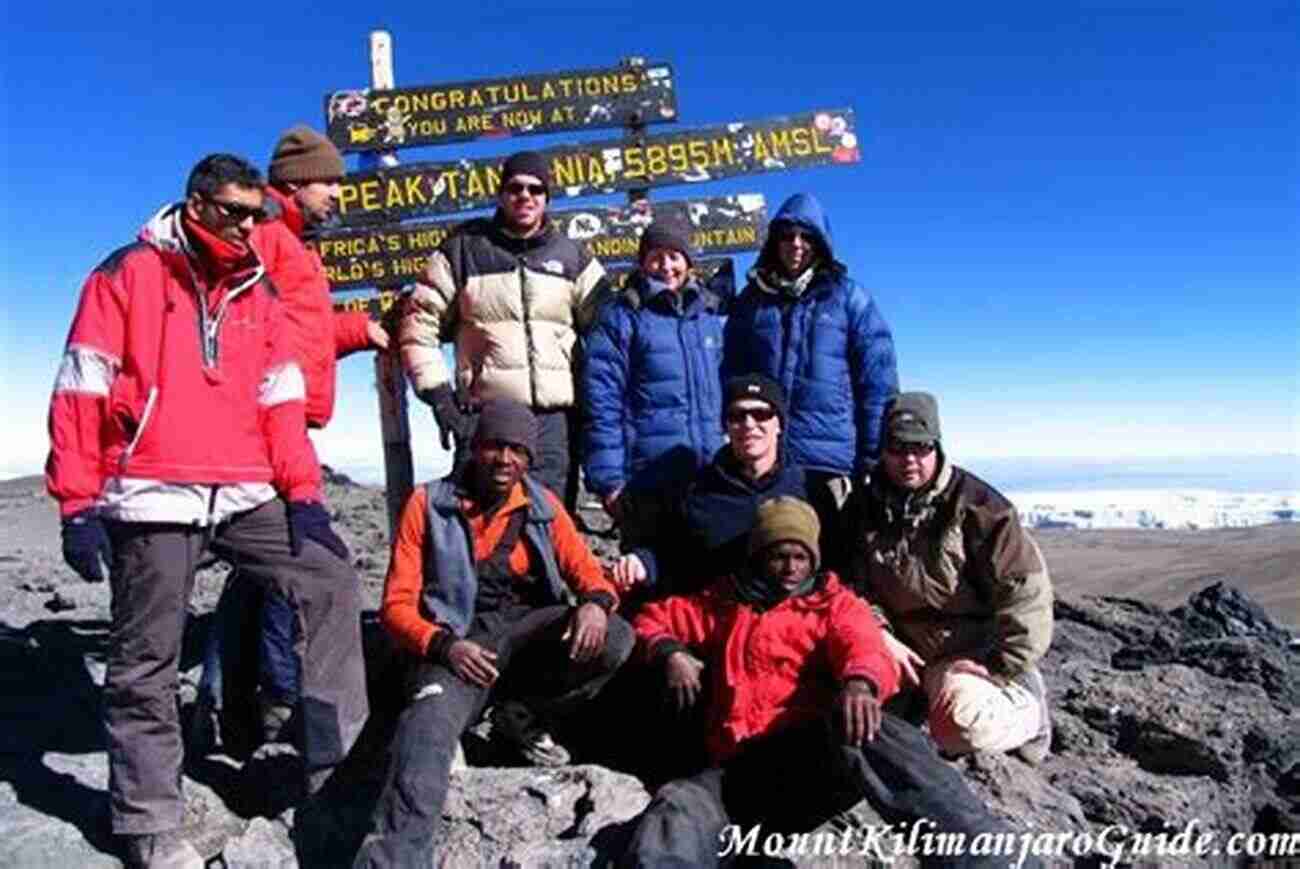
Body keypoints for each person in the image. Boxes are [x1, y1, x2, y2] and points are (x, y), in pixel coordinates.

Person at [46, 154, 369, 868]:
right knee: (145, 659)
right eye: (234, 212)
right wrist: (77, 501)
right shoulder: (128, 272)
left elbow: (281, 402)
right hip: (152, 489)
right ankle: (148, 820)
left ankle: (333, 769)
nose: (248, 226)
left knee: (330, 575)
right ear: (195, 205)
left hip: (248, 488)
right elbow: (81, 385)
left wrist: (304, 494)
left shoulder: (258, 288)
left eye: (257, 214)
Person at [622, 497, 1025, 868]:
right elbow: (650, 620)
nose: (791, 568)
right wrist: (668, 652)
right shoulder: (723, 604)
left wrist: (861, 684)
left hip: (810, 766)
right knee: (678, 803)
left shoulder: (833, 604)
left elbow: (864, 645)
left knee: (871, 726)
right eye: (779, 556)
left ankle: (986, 858)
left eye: (801, 557)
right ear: (758, 555)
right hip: (737, 775)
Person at [355, 398, 634, 867]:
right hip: (455, 646)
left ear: (529, 457)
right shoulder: (428, 505)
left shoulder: (543, 506)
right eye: (494, 446)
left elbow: (590, 574)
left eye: (518, 450)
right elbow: (396, 607)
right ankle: (394, 858)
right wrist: (444, 645)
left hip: (524, 635)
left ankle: (518, 716)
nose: (506, 460)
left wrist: (596, 604)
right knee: (426, 730)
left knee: (616, 638)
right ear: (475, 447)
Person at [196, 125, 391, 747]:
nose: (337, 193)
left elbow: (302, 333)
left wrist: (361, 328)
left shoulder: (295, 244)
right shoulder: (270, 237)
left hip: (286, 418)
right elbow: (247, 327)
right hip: (267, 425)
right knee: (295, 562)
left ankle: (230, 705)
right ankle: (270, 702)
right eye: (328, 181)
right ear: (295, 182)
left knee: (259, 571)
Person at [841, 392, 1054, 764]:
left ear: (937, 446)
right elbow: (852, 589)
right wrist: (878, 634)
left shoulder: (981, 509)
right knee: (844, 715)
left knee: (960, 727)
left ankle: (1029, 714)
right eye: (897, 447)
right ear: (883, 450)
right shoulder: (862, 508)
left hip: (965, 654)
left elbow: (1026, 595)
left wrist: (1000, 665)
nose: (909, 460)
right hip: (898, 650)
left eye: (920, 448)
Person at [400, 150, 609, 507]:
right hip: (485, 419)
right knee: (482, 531)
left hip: (553, 424)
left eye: (536, 189)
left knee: (550, 527)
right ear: (500, 194)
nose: (525, 196)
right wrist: (439, 396)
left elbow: (608, 331)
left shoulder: (574, 257)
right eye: (515, 188)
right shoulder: (463, 251)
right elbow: (418, 322)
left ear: (546, 198)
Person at [722, 191, 898, 520]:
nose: (796, 244)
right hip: (763, 464)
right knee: (771, 559)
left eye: (807, 236)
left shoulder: (848, 299)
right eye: (787, 235)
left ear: (820, 243)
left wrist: (873, 458)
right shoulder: (751, 303)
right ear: (775, 241)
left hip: (829, 465)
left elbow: (878, 385)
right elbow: (729, 375)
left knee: (830, 561)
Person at [609, 373, 813, 601]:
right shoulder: (698, 491)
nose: (749, 424)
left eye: (761, 414)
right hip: (717, 618)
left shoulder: (807, 488)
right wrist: (641, 562)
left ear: (779, 424)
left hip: (792, 619)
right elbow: (668, 552)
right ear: (726, 427)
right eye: (737, 416)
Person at [582, 219, 726, 535]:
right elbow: (602, 401)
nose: (665, 266)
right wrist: (609, 480)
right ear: (643, 262)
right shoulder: (622, 316)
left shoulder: (707, 317)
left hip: (709, 473)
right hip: (648, 476)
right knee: (652, 573)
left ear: (688, 261)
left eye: (674, 256)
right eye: (655, 256)